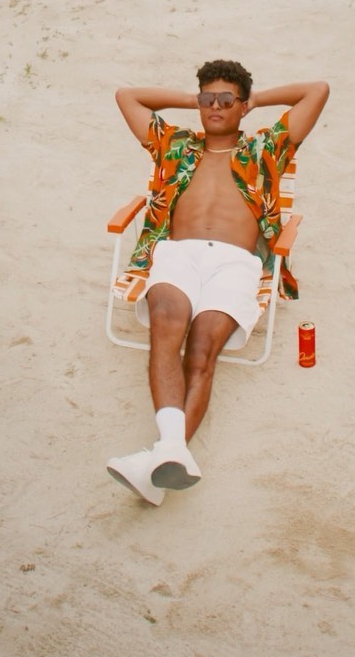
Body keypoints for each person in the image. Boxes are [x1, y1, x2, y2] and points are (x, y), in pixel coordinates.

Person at [107, 59, 330, 505]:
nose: (215, 107)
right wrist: (194, 100)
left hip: (235, 263)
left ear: (242, 106)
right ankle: (170, 453)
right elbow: (126, 97)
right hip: (178, 254)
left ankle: (160, 457)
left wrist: (254, 102)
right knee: (166, 322)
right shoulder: (175, 145)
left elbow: (318, 90)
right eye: (208, 98)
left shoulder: (265, 149)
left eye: (226, 100)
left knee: (203, 348)